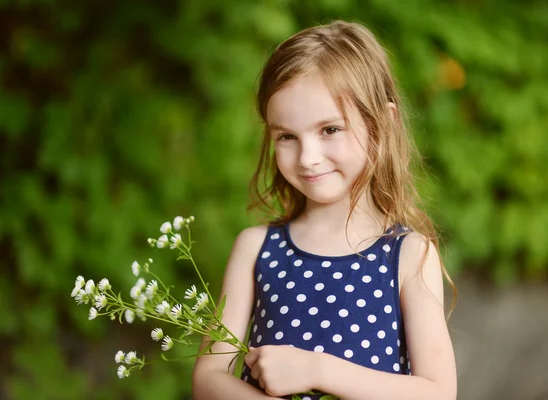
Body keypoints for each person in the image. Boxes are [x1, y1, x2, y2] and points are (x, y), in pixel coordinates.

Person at [192, 20, 457, 400]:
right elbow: (207, 379)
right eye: (287, 136)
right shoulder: (256, 249)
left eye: (330, 130)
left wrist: (316, 369)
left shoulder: (408, 255)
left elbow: (438, 393)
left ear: (383, 123)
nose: (308, 158)